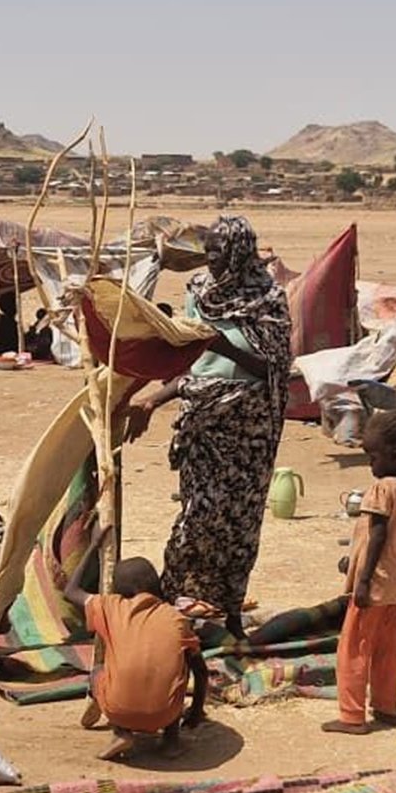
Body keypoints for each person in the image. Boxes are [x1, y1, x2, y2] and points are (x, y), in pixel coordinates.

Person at [124, 215, 291, 639]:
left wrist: (215, 341)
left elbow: (273, 368)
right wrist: (151, 399)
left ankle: (230, 614)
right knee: (196, 516)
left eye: (218, 249)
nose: (210, 257)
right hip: (203, 420)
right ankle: (169, 610)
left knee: (238, 522)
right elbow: (188, 364)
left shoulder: (267, 299)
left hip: (248, 426)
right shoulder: (199, 291)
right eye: (208, 249)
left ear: (239, 251)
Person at [323, 410, 396, 736]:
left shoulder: (382, 489)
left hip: (375, 583)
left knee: (354, 646)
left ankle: (351, 716)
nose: (371, 464)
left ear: (395, 454)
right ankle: (386, 707)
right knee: (388, 648)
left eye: (373, 456)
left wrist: (364, 579)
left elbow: (377, 536)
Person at [63, 525, 208, 761]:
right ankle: (171, 741)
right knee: (183, 666)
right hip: (166, 712)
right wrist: (197, 710)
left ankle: (121, 732)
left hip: (118, 709)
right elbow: (201, 672)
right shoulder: (177, 619)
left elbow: (71, 591)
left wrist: (93, 546)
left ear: (121, 591)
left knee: (100, 669)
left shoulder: (110, 607)